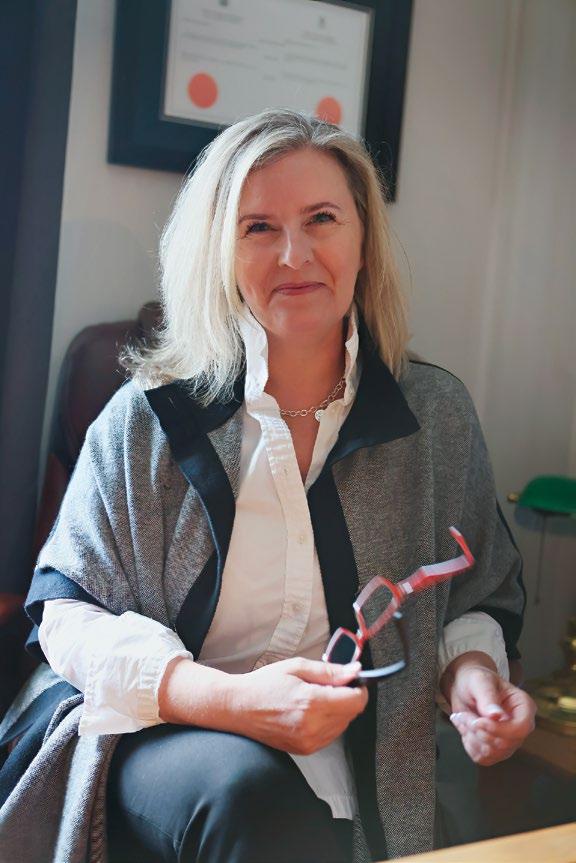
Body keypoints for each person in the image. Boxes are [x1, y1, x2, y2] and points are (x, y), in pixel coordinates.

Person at [0, 109, 535, 863]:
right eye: (258, 228)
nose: (295, 254)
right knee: (251, 795)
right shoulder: (148, 418)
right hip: (164, 735)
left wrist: (473, 677)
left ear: (363, 241)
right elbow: (68, 615)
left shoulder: (434, 416)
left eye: (322, 219)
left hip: (361, 772)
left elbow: (469, 595)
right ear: (220, 252)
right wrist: (234, 702)